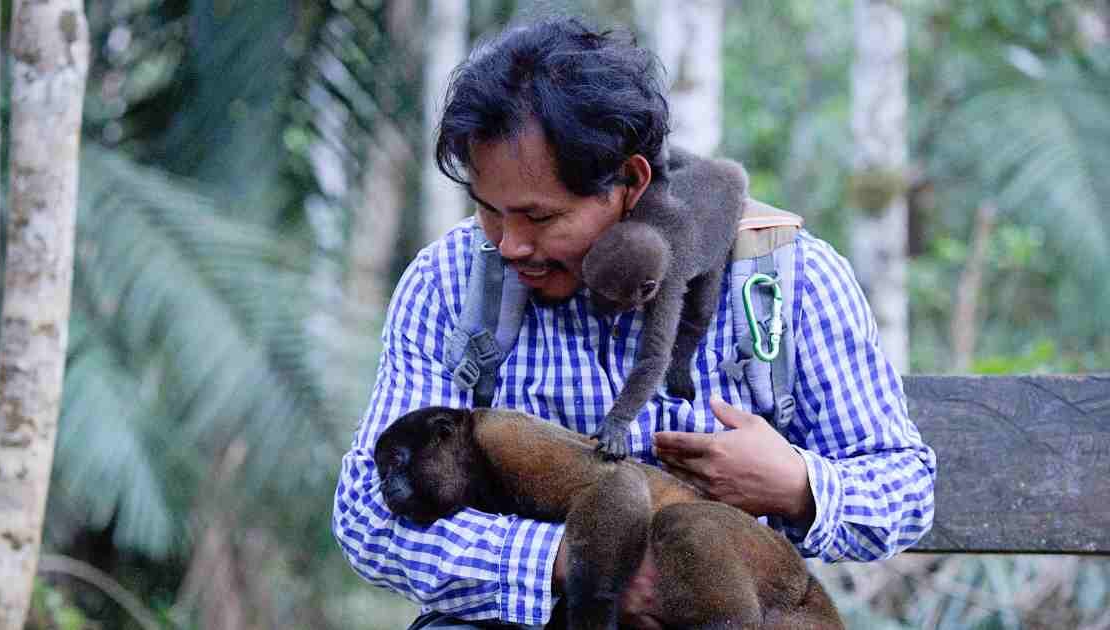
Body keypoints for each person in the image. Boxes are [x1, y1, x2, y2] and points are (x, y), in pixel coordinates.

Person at [332, 16, 936, 630]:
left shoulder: (784, 277)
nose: (510, 244)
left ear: (631, 182)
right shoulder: (452, 283)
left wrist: (796, 484)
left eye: (540, 218)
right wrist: (573, 564)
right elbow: (368, 520)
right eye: (490, 211)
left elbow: (905, 491)